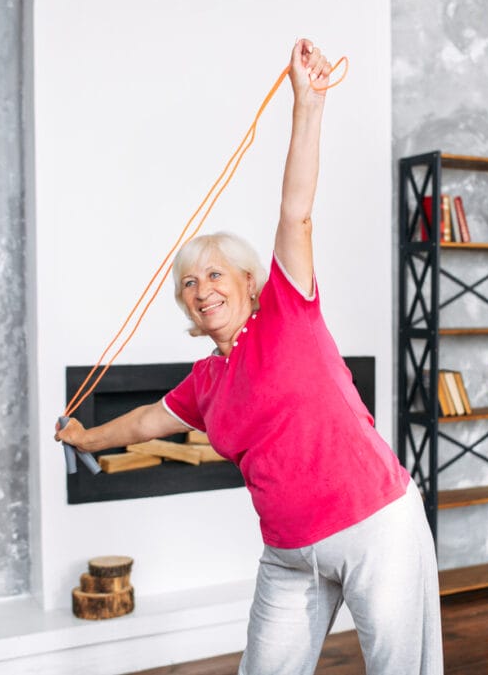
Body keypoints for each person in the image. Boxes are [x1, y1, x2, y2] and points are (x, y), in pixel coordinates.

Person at [55, 38, 443, 675]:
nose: (201, 289)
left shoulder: (288, 313)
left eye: (213, 275)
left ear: (245, 280)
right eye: (188, 283)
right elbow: (151, 419)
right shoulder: (207, 381)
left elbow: (296, 212)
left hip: (377, 529)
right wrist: (88, 438)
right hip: (290, 553)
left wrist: (307, 104)